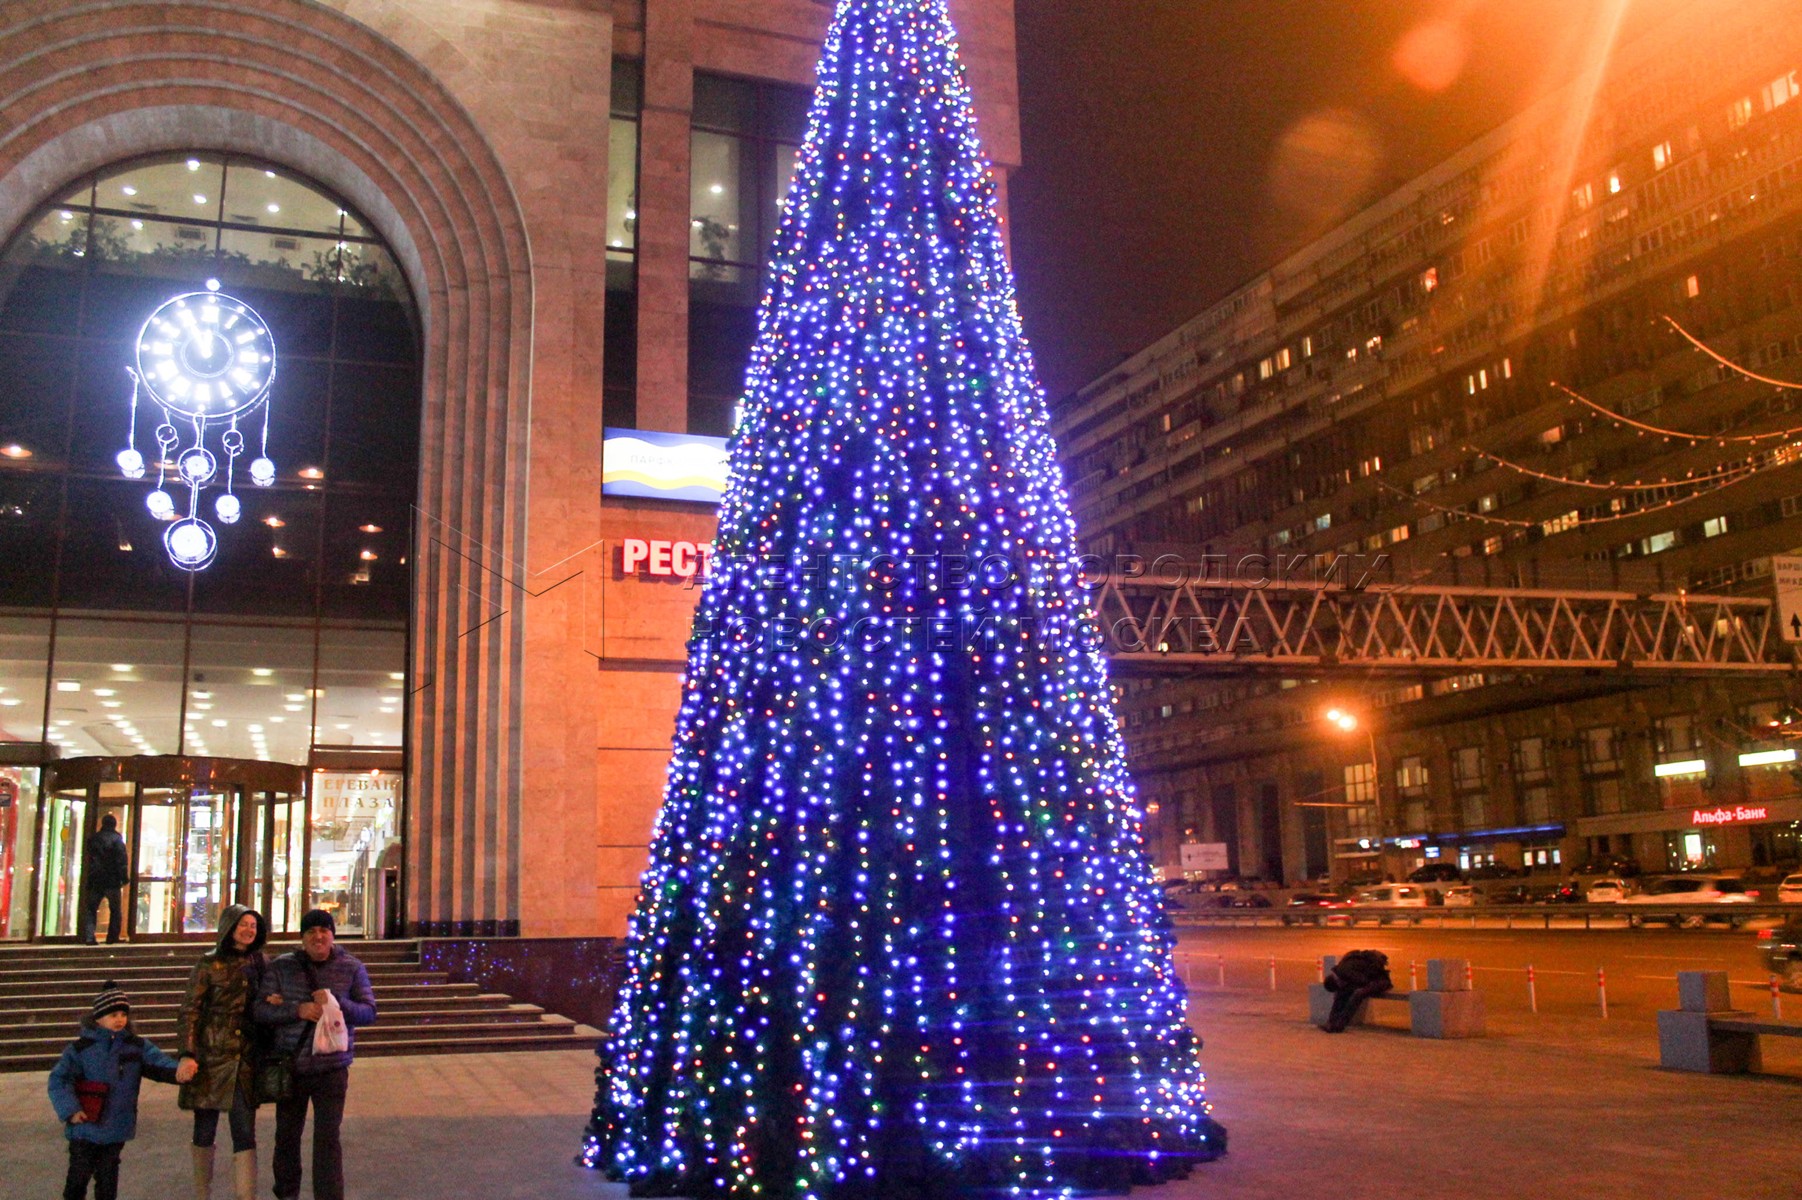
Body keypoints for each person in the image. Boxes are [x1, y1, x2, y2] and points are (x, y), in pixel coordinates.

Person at [254, 909, 376, 1200]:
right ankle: (286, 1194)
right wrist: (296, 1010)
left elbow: (369, 1012)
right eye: (311, 932)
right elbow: (260, 1009)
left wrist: (338, 1003)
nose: (318, 937)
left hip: (332, 1067)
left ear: (333, 935)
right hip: (291, 1066)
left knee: (328, 1140)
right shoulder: (283, 967)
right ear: (302, 938)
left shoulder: (352, 967)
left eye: (324, 931)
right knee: (286, 1137)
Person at [48, 980, 199, 1200]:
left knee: (108, 1181)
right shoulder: (81, 1049)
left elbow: (159, 1063)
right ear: (98, 1018)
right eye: (113, 1015)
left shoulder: (135, 1046)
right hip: (84, 1125)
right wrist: (70, 1109)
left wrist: (182, 1070)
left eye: (123, 1014)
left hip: (116, 1126)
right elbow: (59, 1080)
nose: (119, 1019)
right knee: (77, 1179)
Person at [179, 904, 269, 1200]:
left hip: (244, 1058)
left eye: (253, 925)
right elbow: (190, 1010)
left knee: (244, 1130)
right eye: (243, 924)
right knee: (204, 1128)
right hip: (210, 1056)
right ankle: (202, 1192)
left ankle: (246, 1195)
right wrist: (188, 1053)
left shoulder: (260, 962)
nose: (249, 930)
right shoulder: (208, 964)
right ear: (229, 927)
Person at [79, 815, 129, 945]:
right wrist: (124, 877)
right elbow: (121, 861)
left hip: (95, 879)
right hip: (112, 880)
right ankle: (112, 937)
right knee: (115, 910)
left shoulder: (93, 839)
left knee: (91, 909)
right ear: (114, 825)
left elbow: (88, 859)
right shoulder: (117, 840)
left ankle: (89, 937)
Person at [1321, 948, 1393, 1033]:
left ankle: (1339, 1024)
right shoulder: (1341, 970)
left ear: (1337, 982)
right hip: (1372, 979)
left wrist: (1351, 987)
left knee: (1357, 994)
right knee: (1342, 993)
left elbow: (1364, 981)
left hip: (1380, 981)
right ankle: (1332, 1022)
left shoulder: (1346, 972)